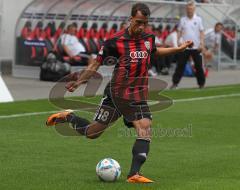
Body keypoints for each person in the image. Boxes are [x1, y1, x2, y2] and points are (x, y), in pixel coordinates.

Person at [46, 3, 193, 183]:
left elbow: (154, 51)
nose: (141, 27)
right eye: (138, 22)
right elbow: (95, 64)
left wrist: (177, 49)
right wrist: (78, 82)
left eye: (144, 23)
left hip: (137, 93)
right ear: (130, 19)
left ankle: (69, 118)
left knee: (99, 132)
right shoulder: (114, 41)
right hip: (117, 92)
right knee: (135, 128)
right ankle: (133, 175)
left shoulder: (148, 38)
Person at [171, 0, 205, 89]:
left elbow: (201, 32)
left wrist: (202, 43)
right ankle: (175, 83)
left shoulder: (198, 19)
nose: (189, 10)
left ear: (194, 9)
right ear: (186, 9)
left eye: (191, 9)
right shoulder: (183, 19)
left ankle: (201, 84)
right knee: (180, 65)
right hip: (185, 47)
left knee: (198, 66)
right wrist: (178, 41)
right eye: (188, 9)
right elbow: (179, 31)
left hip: (196, 47)